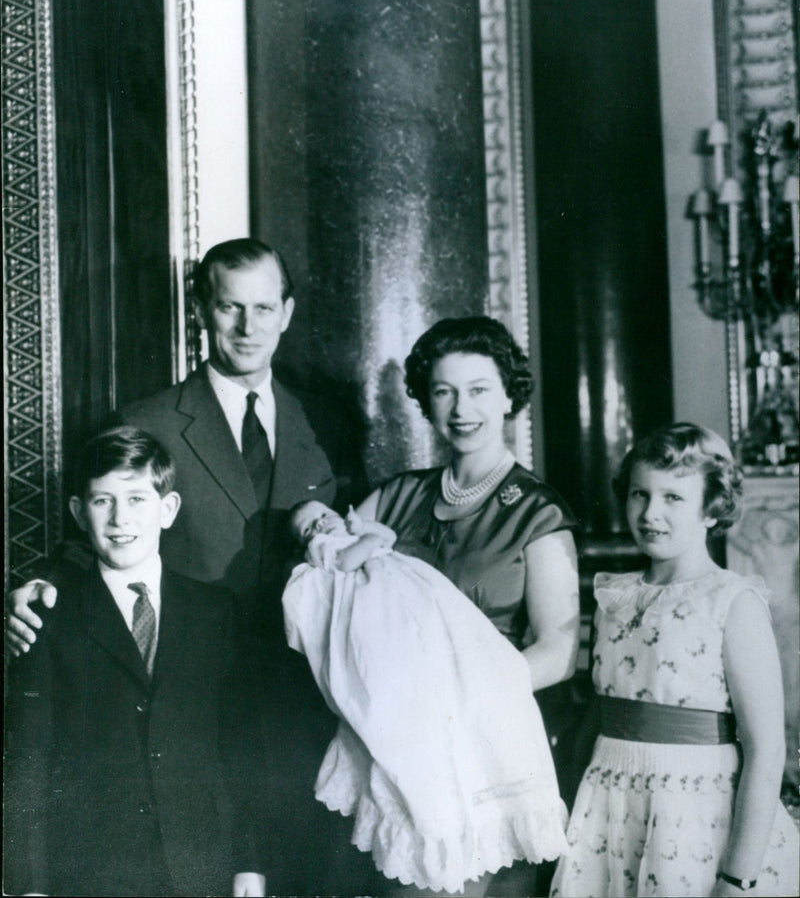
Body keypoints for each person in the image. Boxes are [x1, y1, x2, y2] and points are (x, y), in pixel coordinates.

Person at [5, 238, 375, 896]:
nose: (248, 326)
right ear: (202, 309)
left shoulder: (326, 421)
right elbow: (102, 538)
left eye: (264, 308)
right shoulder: (150, 421)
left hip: (308, 701)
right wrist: (41, 587)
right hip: (198, 706)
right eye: (230, 307)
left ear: (287, 313)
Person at [348, 315, 581, 896]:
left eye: (478, 389)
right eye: (444, 391)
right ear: (426, 400)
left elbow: (558, 650)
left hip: (491, 744)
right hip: (400, 744)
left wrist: (462, 693)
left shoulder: (537, 512)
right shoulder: (398, 496)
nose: (461, 408)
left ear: (508, 395)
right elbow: (332, 581)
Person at [3, 427, 267, 898]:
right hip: (90, 870)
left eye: (138, 499)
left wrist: (249, 862)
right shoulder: (45, 615)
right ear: (79, 514)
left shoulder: (216, 610)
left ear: (168, 510)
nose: (121, 518)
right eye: (102, 501)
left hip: (200, 863)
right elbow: (27, 761)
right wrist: (27, 885)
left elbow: (239, 746)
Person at [549, 422, 800, 898]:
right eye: (639, 495)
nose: (650, 513)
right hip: (609, 809)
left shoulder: (732, 601)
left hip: (695, 821)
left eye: (673, 498)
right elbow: (596, 720)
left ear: (713, 509)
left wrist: (737, 877)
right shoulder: (615, 597)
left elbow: (768, 752)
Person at [282, 498, 568, 893]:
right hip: (378, 615)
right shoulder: (327, 552)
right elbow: (357, 554)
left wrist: (366, 533)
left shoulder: (367, 542)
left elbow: (385, 538)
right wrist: (362, 535)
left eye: (323, 517)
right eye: (308, 528)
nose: (318, 528)